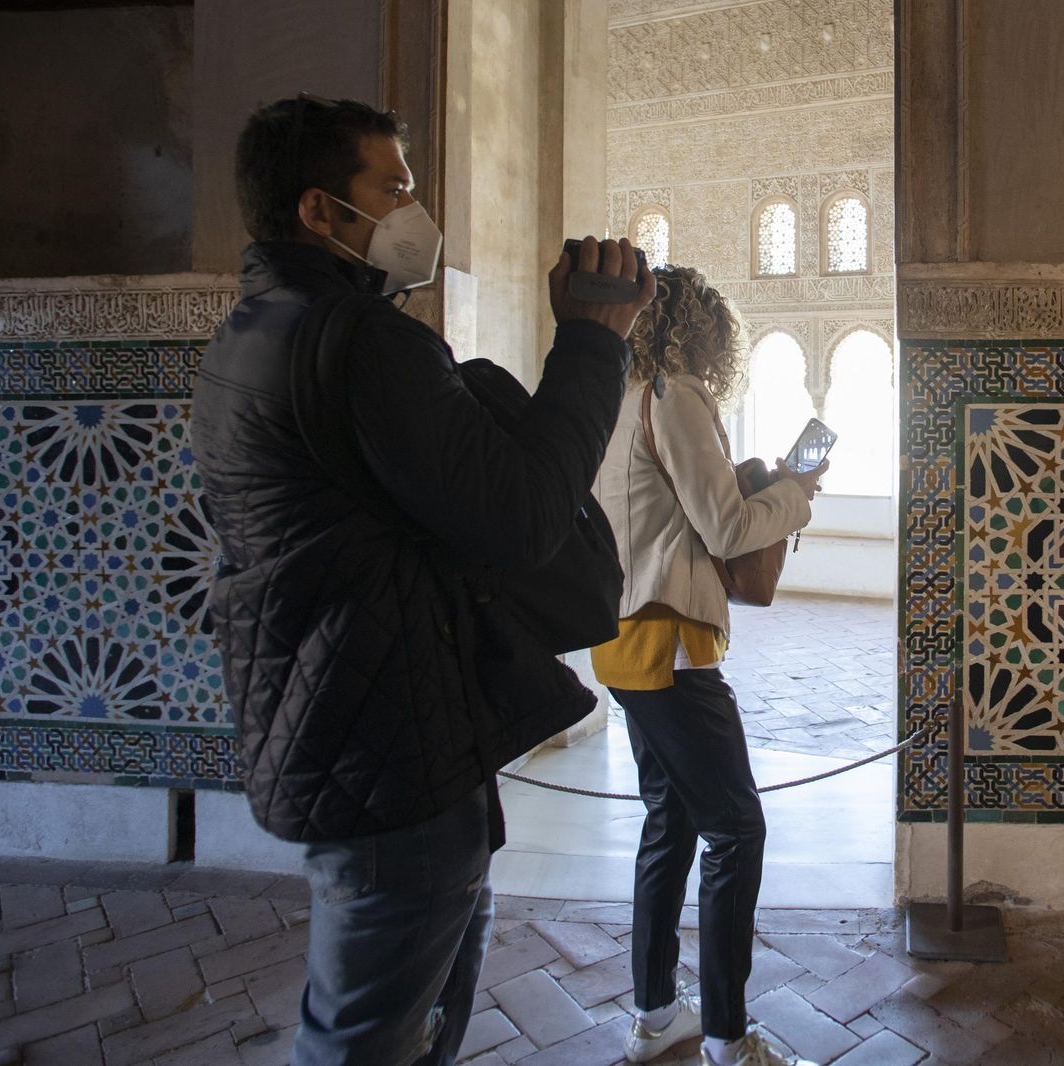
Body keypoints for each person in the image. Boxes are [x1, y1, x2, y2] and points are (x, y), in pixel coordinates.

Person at [190, 93, 654, 1065]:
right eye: (391, 187)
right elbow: (522, 518)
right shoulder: (361, 341)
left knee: (402, 1018)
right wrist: (594, 340)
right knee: (363, 1037)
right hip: (385, 748)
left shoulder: (256, 330)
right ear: (321, 211)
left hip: (349, 722)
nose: (414, 208)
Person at [590, 266, 826, 1066]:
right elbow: (725, 529)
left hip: (626, 639)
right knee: (737, 829)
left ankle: (658, 1014)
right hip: (671, 648)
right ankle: (728, 1035)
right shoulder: (673, 393)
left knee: (673, 821)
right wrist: (796, 493)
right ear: (699, 328)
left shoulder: (620, 399)